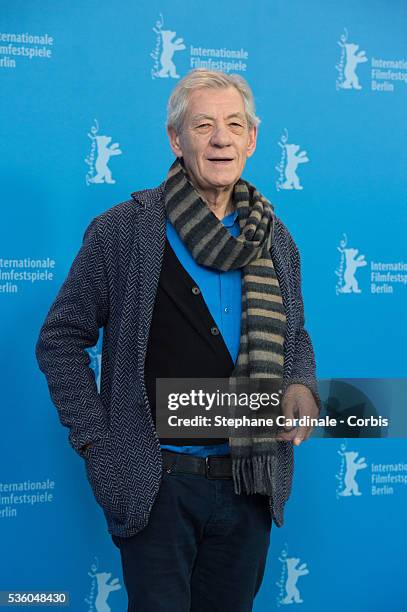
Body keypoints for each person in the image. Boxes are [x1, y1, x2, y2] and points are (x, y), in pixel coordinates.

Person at [35, 69, 320, 612]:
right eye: (204, 125)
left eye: (235, 125)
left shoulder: (275, 238)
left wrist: (301, 384)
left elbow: (295, 337)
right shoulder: (126, 230)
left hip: (249, 483)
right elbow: (61, 338)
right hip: (158, 484)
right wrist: (98, 442)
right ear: (176, 139)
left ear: (252, 140)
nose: (221, 139)